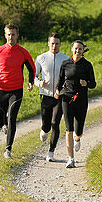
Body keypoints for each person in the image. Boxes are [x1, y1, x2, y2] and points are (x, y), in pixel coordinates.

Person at [0, 23, 36, 159]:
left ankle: (8, 149)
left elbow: (32, 68)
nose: (11, 37)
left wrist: (31, 82)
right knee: (0, 121)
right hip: (1, 90)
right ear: (5, 35)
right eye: (8, 34)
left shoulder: (23, 52)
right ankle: (4, 125)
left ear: (17, 35)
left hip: (16, 90)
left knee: (12, 118)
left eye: (13, 34)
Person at [56, 39, 96, 168]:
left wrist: (86, 84)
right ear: (71, 49)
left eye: (80, 49)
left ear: (83, 50)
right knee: (69, 129)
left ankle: (77, 139)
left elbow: (93, 84)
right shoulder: (65, 64)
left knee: (78, 131)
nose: (77, 51)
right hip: (67, 99)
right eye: (75, 48)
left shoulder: (87, 65)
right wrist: (57, 90)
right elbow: (60, 79)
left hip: (81, 100)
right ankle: (70, 159)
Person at [34, 31, 71, 162]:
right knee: (46, 124)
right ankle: (44, 130)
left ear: (60, 44)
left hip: (59, 96)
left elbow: (69, 78)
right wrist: (39, 83)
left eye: (57, 44)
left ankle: (51, 152)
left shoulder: (66, 59)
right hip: (46, 95)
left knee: (55, 123)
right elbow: (34, 77)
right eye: (52, 44)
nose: (54, 46)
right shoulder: (41, 58)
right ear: (48, 44)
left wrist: (65, 88)